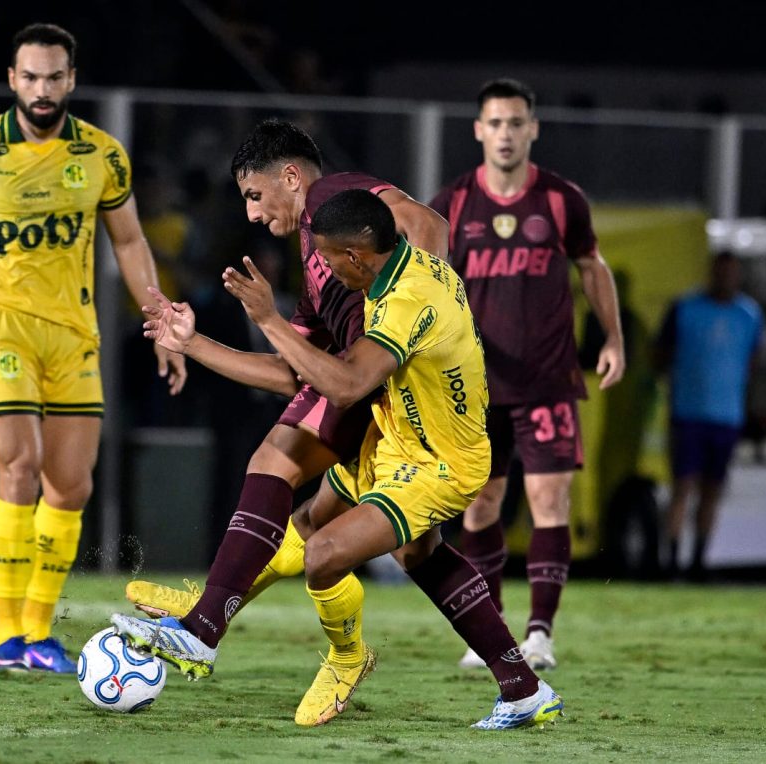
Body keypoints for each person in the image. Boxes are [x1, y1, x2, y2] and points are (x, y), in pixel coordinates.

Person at [117, 190, 563, 730]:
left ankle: (340, 654)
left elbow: (346, 385)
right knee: (360, 539)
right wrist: (194, 344)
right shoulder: (396, 266)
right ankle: (523, 688)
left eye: (327, 259)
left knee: (323, 554)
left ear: (355, 255)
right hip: (395, 440)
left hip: (439, 463)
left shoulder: (407, 300)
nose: (322, 269)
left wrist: (267, 317)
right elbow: (307, 373)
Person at [0, 23, 186, 674]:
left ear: (70, 81)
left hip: (72, 335)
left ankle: (40, 636)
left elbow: (130, 243)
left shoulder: (102, 155)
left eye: (55, 77)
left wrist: (158, 319)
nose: (43, 90)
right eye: (31, 77)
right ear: (12, 80)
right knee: (20, 465)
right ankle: (7, 636)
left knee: (70, 486)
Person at [122, 118, 449, 647]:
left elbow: (429, 223)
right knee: (376, 541)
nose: (251, 211)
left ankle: (205, 623)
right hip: (374, 398)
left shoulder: (333, 195)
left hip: (395, 391)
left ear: (292, 178)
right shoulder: (318, 269)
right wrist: (193, 342)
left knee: (274, 463)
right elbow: (293, 376)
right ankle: (521, 684)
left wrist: (422, 319)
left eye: (255, 194)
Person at [428, 78, 626, 670]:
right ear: (478, 130)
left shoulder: (563, 200)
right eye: (496, 123)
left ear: (533, 129)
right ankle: (486, 635)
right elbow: (426, 284)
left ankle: (540, 633)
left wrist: (613, 337)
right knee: (481, 506)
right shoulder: (454, 203)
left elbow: (593, 267)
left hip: (547, 379)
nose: (506, 133)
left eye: (517, 122)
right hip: (476, 388)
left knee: (549, 498)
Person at [653, 251, 762, 580]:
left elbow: (754, 362)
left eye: (732, 273)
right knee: (683, 487)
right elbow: (660, 354)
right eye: (721, 272)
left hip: (726, 416)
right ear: (712, 273)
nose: (726, 278)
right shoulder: (685, 309)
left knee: (712, 491)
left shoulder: (749, 315)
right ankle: (671, 561)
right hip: (688, 413)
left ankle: (699, 561)